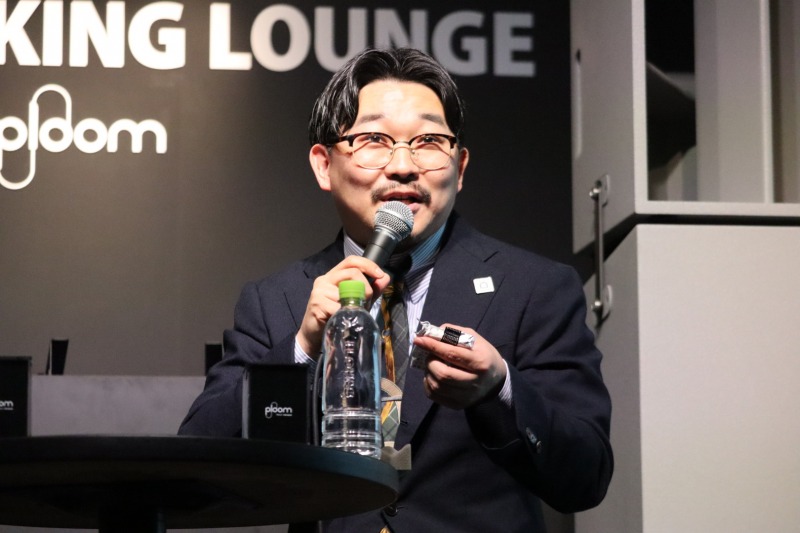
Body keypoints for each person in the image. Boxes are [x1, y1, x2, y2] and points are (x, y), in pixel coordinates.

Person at [179, 47, 613, 532]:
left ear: (460, 168)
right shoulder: (276, 300)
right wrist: (301, 349)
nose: (404, 165)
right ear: (323, 165)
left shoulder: (533, 288)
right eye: (374, 139)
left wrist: (500, 389)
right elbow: (198, 469)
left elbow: (586, 476)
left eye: (429, 141)